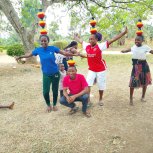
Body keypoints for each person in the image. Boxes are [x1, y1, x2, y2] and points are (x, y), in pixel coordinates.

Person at [16, 35, 79, 112]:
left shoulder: (52, 48)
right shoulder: (38, 50)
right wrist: (20, 57)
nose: (43, 42)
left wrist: (74, 54)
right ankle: (48, 105)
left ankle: (54, 104)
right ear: (40, 42)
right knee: (45, 92)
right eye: (42, 41)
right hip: (46, 74)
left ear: (47, 41)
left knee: (55, 90)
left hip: (55, 73)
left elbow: (64, 53)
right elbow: (29, 55)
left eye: (45, 40)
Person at [74, 27, 128, 106]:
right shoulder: (87, 46)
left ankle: (100, 99)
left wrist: (123, 33)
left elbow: (112, 40)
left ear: (96, 40)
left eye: (92, 39)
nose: (90, 40)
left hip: (101, 69)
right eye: (89, 39)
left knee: (101, 85)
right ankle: (88, 100)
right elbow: (81, 41)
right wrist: (75, 37)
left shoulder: (100, 46)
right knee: (88, 84)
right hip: (91, 69)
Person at [121, 35, 153, 105]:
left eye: (138, 40)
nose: (136, 41)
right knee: (132, 82)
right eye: (135, 40)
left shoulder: (145, 47)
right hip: (136, 67)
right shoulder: (134, 47)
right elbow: (129, 49)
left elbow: (151, 51)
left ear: (142, 41)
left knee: (145, 82)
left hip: (144, 66)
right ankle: (131, 98)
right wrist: (124, 51)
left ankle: (143, 97)